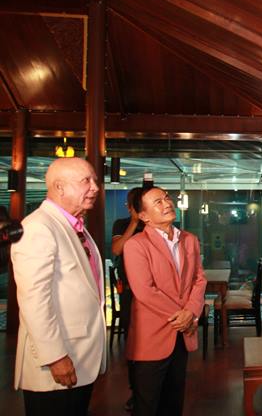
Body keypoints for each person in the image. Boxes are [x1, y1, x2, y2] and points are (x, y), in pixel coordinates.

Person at [10, 157, 106, 416]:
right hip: (57, 361)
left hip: (80, 356)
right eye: (86, 180)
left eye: (95, 180)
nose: (95, 187)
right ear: (59, 187)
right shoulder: (38, 227)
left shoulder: (76, 227)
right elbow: (34, 298)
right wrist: (55, 357)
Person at [124, 187, 207, 416]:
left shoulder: (189, 240)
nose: (167, 203)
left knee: (174, 401)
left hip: (182, 333)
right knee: (147, 405)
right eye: (157, 202)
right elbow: (145, 291)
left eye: (167, 198)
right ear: (144, 216)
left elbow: (199, 279)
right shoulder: (136, 245)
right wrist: (184, 315)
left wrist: (190, 312)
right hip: (151, 337)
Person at [111, 187, 146, 412]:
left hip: (154, 292)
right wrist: (134, 222)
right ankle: (137, 392)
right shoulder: (122, 224)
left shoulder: (155, 223)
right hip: (130, 293)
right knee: (134, 343)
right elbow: (116, 250)